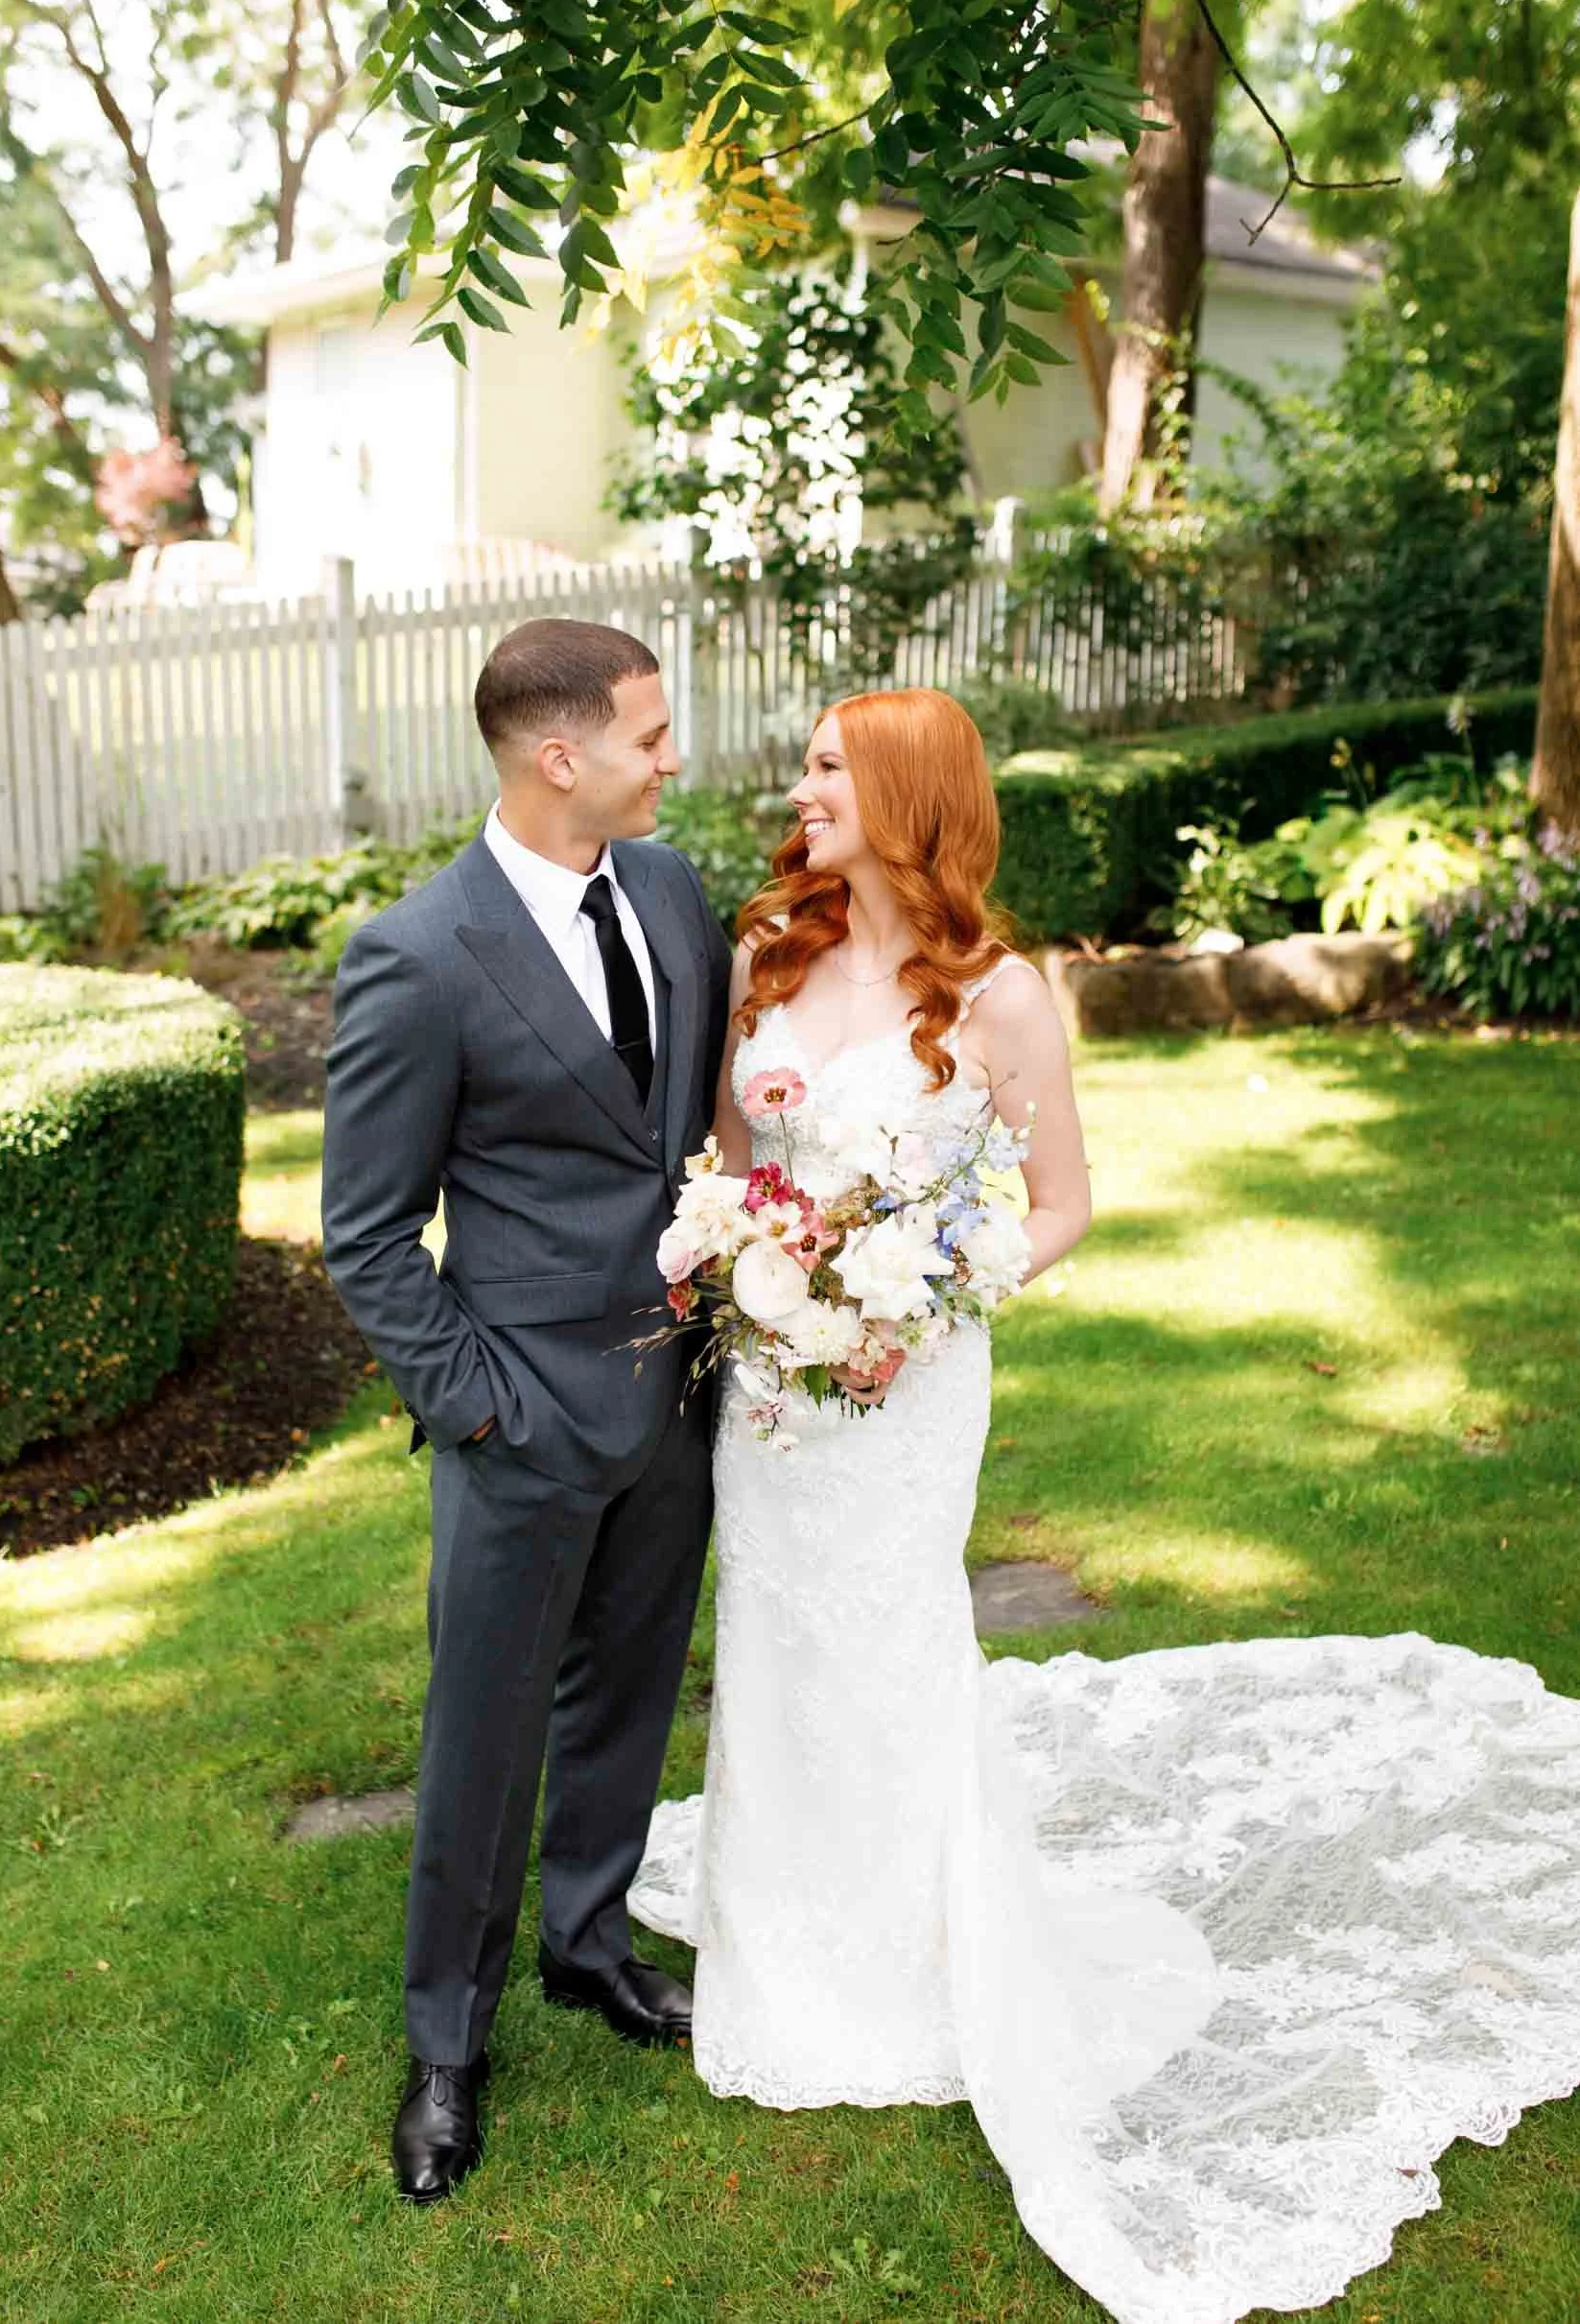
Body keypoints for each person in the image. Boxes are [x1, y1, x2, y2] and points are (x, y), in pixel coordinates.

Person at [627, 686, 1580, 2324]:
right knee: (778, 1640)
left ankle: (923, 1949)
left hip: (909, 1381)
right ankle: (784, 1934)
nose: (801, 787)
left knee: (892, 1636)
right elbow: (727, 1173)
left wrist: (917, 1297)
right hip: (775, 1377)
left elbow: (1059, 1203)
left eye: (830, 766)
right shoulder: (760, 958)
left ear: (911, 793)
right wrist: (754, 1276)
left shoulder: (1001, 996)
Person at [321, 618, 730, 2204]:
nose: (669, 757)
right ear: (559, 755)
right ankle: (447, 2045)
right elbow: (365, 1233)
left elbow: (677, 1135)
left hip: (676, 1401)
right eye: (647, 733)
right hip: (519, 1424)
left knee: (629, 1698)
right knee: (482, 1735)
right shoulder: (417, 955)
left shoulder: (674, 893)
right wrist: (480, 1406)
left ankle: (588, 1942)